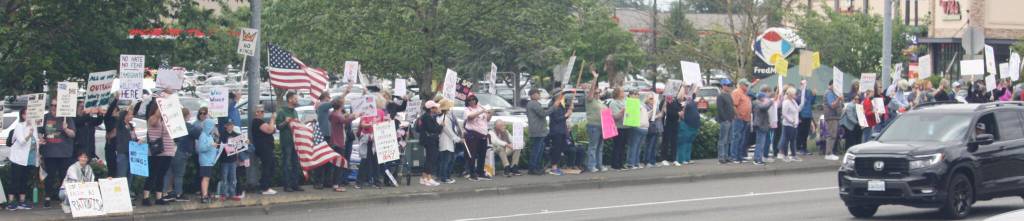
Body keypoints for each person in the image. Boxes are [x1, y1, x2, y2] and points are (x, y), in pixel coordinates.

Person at [39, 99, 76, 208]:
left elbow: (73, 134)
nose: (54, 107)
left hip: (64, 153)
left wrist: (66, 129)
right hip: (49, 152)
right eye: (52, 105)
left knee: (63, 176)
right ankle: (48, 198)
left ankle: (64, 199)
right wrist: (41, 138)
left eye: (56, 105)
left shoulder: (67, 117)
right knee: (49, 176)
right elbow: (40, 131)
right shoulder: (46, 117)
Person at [144, 98, 177, 206]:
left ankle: (159, 197)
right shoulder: (153, 119)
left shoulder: (167, 119)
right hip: (156, 151)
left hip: (168, 150)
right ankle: (146, 197)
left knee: (162, 174)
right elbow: (155, 119)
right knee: (152, 173)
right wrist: (161, 105)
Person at [164, 108, 200, 201]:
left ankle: (164, 193)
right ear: (187, 116)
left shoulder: (172, 125)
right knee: (179, 174)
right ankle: (178, 194)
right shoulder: (188, 126)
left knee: (169, 173)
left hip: (170, 150)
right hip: (182, 151)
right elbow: (198, 134)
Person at [356, 95, 390, 188]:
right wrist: (371, 124)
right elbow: (363, 124)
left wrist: (387, 122)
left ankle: (366, 181)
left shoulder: (380, 112)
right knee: (368, 160)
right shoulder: (369, 111)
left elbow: (383, 124)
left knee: (371, 160)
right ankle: (368, 181)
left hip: (375, 138)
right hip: (369, 138)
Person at [328, 89, 359, 191]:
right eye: (343, 102)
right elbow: (345, 120)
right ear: (340, 105)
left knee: (338, 164)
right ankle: (336, 185)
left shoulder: (334, 113)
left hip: (337, 141)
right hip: (338, 142)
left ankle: (335, 183)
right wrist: (355, 115)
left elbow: (343, 118)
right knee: (339, 164)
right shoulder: (336, 115)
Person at [6, 108, 36, 210]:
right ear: (23, 115)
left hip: (28, 158)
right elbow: (22, 141)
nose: (30, 116)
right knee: (15, 179)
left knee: (24, 179)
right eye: (27, 114)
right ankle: (10, 202)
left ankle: (22, 201)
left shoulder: (34, 126)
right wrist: (29, 135)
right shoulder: (19, 126)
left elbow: (35, 142)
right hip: (18, 158)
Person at [276, 92, 305, 192]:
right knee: (287, 163)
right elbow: (278, 127)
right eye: (295, 99)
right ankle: (287, 185)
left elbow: (297, 125)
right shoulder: (282, 112)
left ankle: (295, 184)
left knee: (295, 163)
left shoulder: (295, 112)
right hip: (286, 141)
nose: (297, 100)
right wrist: (285, 121)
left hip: (295, 142)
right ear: (289, 100)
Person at [464, 94, 492, 180]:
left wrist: (490, 113)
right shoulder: (467, 109)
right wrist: (481, 111)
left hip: (483, 134)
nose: (472, 101)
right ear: (467, 102)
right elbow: (470, 117)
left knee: (482, 154)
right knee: (472, 155)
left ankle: (480, 172)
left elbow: (487, 119)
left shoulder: (481, 107)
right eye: (470, 100)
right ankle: (472, 173)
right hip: (472, 134)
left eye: (473, 99)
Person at [252, 105, 278, 195]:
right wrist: (273, 119)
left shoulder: (260, 121)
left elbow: (273, 129)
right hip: (264, 148)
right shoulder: (257, 121)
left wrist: (271, 127)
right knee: (267, 167)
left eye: (263, 111)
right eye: (261, 111)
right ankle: (265, 188)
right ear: (257, 113)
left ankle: (265, 186)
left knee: (271, 166)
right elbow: (270, 130)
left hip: (267, 147)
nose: (263, 113)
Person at [546, 91, 574, 175]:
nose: (563, 97)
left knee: (562, 147)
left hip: (562, 130)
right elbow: (557, 119)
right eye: (562, 96)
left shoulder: (561, 105)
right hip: (556, 131)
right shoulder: (553, 106)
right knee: (556, 149)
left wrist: (569, 111)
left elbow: (564, 117)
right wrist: (566, 115)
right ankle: (554, 167)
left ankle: (556, 165)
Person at [584, 69, 606, 172]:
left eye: (599, 91)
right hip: (593, 126)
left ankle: (599, 165)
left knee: (599, 147)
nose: (597, 92)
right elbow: (591, 90)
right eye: (596, 91)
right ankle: (591, 166)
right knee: (593, 147)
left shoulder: (599, 101)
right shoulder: (589, 99)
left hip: (602, 126)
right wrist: (595, 78)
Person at [196, 107, 220, 203]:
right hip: (205, 160)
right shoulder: (203, 135)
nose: (212, 128)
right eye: (211, 126)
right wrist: (211, 146)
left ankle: (205, 194)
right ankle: (204, 196)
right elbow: (201, 148)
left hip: (209, 160)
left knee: (207, 178)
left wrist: (216, 148)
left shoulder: (209, 135)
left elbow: (211, 145)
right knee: (205, 178)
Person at [418, 101, 443, 185]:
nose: (436, 109)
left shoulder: (428, 116)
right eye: (435, 107)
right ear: (431, 109)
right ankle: (428, 177)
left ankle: (423, 177)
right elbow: (432, 129)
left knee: (430, 158)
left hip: (429, 140)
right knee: (431, 159)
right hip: (429, 140)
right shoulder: (427, 117)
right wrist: (441, 126)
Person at [313, 93, 334, 190]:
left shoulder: (325, 109)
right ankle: (318, 182)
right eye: (328, 98)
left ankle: (327, 181)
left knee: (328, 159)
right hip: (322, 136)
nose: (329, 100)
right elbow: (334, 103)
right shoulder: (322, 106)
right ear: (324, 99)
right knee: (321, 160)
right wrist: (346, 91)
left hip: (327, 136)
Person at [525, 89, 550, 175]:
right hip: (538, 130)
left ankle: (536, 167)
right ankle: (533, 168)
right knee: (537, 149)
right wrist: (554, 107)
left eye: (539, 93)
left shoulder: (531, 103)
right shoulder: (534, 103)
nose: (539, 95)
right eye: (537, 93)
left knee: (539, 148)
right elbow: (543, 114)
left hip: (537, 129)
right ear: (532, 95)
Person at [437, 99, 460, 184]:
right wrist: (457, 139)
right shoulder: (445, 118)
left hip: (447, 141)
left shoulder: (444, 117)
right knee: (446, 160)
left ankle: (445, 176)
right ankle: (444, 177)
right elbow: (449, 131)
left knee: (446, 160)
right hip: (446, 141)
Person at [676, 86, 700, 165]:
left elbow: (695, 91)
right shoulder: (681, 100)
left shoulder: (691, 98)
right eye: (686, 88)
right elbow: (681, 113)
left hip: (693, 125)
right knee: (683, 142)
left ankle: (687, 158)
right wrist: (683, 86)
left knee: (689, 142)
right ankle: (681, 159)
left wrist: (697, 86)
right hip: (685, 124)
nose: (688, 89)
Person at [730, 79, 752, 163]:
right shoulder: (737, 92)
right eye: (746, 85)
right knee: (736, 137)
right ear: (741, 85)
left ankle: (739, 156)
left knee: (741, 138)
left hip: (745, 119)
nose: (747, 87)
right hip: (739, 119)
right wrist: (738, 115)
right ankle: (734, 156)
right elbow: (734, 105)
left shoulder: (744, 93)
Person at [219, 121, 241, 201]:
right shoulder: (222, 134)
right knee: (224, 178)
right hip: (224, 159)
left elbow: (239, 147)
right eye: (229, 125)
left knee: (233, 178)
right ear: (226, 126)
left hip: (233, 159)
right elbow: (220, 146)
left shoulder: (236, 134)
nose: (230, 126)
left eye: (232, 125)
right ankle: (224, 194)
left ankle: (232, 194)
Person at [625, 91, 648, 169]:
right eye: (634, 94)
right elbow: (629, 115)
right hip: (636, 126)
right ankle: (631, 163)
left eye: (637, 94)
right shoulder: (630, 103)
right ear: (630, 95)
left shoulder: (640, 103)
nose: (636, 95)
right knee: (633, 146)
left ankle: (636, 163)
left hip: (643, 127)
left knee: (638, 147)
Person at [715, 79, 735, 164]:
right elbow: (720, 109)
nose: (729, 87)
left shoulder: (729, 95)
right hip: (725, 121)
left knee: (728, 140)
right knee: (723, 139)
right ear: (723, 86)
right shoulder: (720, 96)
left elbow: (731, 107)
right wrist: (725, 119)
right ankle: (721, 157)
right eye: (728, 85)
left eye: (730, 85)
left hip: (730, 120)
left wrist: (732, 117)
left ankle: (726, 156)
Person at [778, 87, 801, 162]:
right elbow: (784, 114)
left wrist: (796, 121)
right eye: (794, 94)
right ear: (790, 94)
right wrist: (792, 121)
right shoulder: (786, 102)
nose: (796, 95)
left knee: (793, 140)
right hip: (788, 124)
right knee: (786, 140)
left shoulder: (793, 101)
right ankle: (785, 155)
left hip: (795, 124)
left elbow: (797, 111)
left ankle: (794, 155)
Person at [608, 88, 629, 170]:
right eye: (622, 91)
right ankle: (615, 164)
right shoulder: (613, 103)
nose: (624, 93)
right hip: (618, 127)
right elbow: (615, 117)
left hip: (625, 126)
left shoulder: (625, 101)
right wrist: (623, 111)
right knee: (617, 146)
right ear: (618, 93)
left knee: (623, 146)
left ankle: (621, 163)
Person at [642, 94, 664, 168]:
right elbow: (647, 117)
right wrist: (656, 115)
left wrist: (660, 114)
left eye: (653, 98)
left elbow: (660, 113)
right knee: (649, 145)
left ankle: (653, 161)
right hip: (650, 128)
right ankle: (647, 161)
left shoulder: (655, 106)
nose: (652, 100)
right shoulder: (645, 106)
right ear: (647, 99)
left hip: (657, 127)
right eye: (651, 98)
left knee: (655, 146)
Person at [661, 88, 682, 166]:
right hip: (667, 124)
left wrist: (680, 112)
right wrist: (677, 113)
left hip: (675, 124)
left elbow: (680, 109)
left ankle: (674, 159)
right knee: (665, 141)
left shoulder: (675, 101)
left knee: (674, 142)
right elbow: (667, 112)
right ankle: (664, 159)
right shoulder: (664, 102)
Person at [823, 81, 843, 160]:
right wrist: (838, 99)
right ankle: (828, 153)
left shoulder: (832, 93)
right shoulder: (829, 93)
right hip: (831, 116)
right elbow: (832, 105)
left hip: (834, 116)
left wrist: (840, 99)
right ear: (831, 85)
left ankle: (830, 152)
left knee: (833, 135)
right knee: (831, 135)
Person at [751, 92, 773, 165]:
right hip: (760, 125)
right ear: (761, 98)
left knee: (759, 143)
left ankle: (757, 158)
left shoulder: (757, 103)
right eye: (764, 97)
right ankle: (758, 159)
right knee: (760, 143)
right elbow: (764, 108)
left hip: (761, 125)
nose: (765, 99)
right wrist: (771, 102)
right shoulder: (758, 103)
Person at [795, 81, 815, 156]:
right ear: (800, 84)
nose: (805, 85)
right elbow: (797, 105)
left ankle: (804, 148)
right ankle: (798, 148)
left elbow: (812, 102)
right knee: (800, 133)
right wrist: (798, 117)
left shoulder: (809, 91)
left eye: (806, 84)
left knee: (806, 133)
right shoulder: (798, 92)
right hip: (802, 115)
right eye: (803, 84)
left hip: (808, 115)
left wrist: (814, 95)